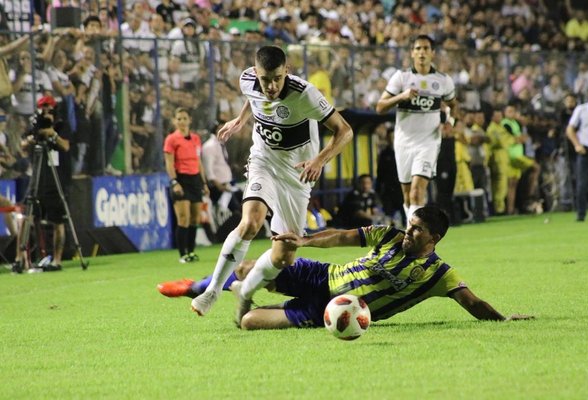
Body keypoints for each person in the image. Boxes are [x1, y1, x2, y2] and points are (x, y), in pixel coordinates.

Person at [158, 206, 533, 329]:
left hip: (333, 309)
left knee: (248, 323)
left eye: (417, 229)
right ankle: (198, 286)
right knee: (250, 267)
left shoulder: (440, 274)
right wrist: (305, 241)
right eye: (410, 224)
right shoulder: (388, 235)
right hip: (323, 275)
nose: (408, 231)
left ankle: (246, 300)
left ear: (433, 239)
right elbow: (342, 237)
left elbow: (472, 303)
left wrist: (503, 320)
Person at [190, 45, 353, 321]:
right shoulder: (247, 80)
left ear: (286, 71)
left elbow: (344, 131)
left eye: (278, 78)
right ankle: (214, 290)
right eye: (266, 79)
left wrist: (319, 161)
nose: (272, 85)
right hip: (263, 160)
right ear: (256, 73)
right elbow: (253, 98)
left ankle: (246, 291)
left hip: (297, 174)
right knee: (251, 222)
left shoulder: (305, 94)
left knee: (283, 257)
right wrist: (241, 119)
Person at [375, 35, 459, 224]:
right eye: (418, 48)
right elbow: (380, 106)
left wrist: (450, 123)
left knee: (416, 192)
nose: (422, 52)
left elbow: (454, 105)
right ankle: (412, 230)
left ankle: (415, 238)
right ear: (412, 53)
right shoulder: (402, 77)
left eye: (426, 48)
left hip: (429, 141)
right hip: (404, 141)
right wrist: (401, 97)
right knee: (407, 195)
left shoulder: (443, 80)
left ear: (433, 53)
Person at [16, 95, 71, 273]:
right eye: (43, 107)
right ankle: (20, 259)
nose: (46, 111)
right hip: (37, 178)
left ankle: (56, 260)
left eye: (49, 107)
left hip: (56, 179)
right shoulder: (35, 124)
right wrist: (33, 138)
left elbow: (66, 146)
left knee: (57, 220)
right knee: (27, 217)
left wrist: (52, 134)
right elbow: (23, 145)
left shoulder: (61, 125)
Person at [163, 107, 210, 263]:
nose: (182, 121)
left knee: (195, 219)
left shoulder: (196, 139)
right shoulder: (171, 139)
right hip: (181, 180)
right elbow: (169, 163)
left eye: (184, 118)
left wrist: (203, 182)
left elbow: (199, 161)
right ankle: (182, 254)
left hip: (195, 179)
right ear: (174, 121)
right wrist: (174, 182)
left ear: (190, 120)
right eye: (179, 119)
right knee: (183, 218)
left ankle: (191, 252)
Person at [565, 84, 588, 222]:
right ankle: (581, 214)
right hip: (585, 149)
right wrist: (577, 144)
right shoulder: (581, 110)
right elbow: (570, 129)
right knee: (582, 183)